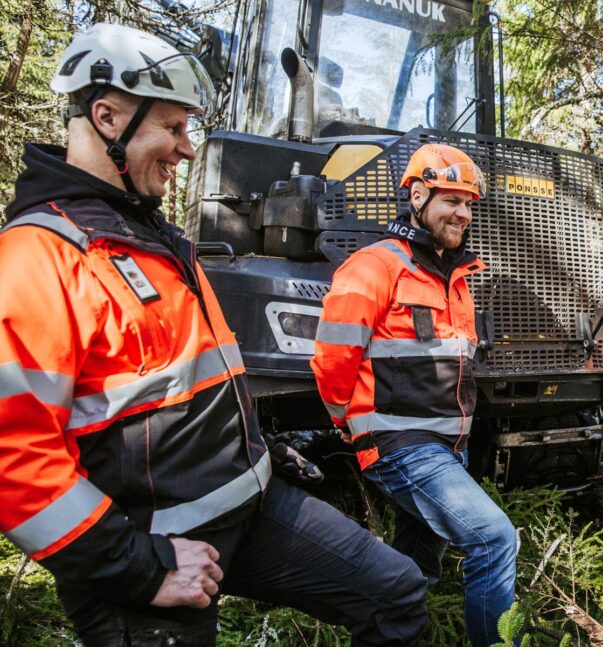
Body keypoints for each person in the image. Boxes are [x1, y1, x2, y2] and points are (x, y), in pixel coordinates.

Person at [0, 23, 426, 646]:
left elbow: (198, 377)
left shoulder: (159, 240)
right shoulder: (36, 257)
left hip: (250, 505)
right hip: (148, 556)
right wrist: (142, 570)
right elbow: (15, 461)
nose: (188, 148)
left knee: (397, 595)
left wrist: (257, 446)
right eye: (173, 128)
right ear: (107, 115)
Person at [312, 143, 518, 647]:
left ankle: (397, 632)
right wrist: (350, 423)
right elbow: (333, 358)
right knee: (494, 539)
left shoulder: (458, 277)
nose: (464, 214)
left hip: (447, 449)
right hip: (401, 445)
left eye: (469, 204)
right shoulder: (374, 266)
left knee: (415, 568)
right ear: (419, 196)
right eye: (452, 201)